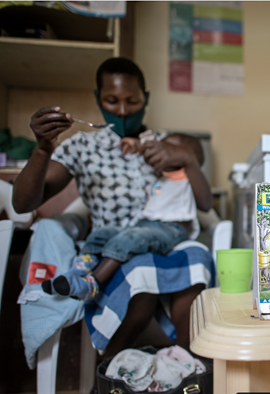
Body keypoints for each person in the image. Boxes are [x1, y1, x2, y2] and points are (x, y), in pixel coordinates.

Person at [12, 57, 213, 356]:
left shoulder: (166, 144)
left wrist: (182, 157)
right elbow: (23, 203)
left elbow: (201, 198)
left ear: (146, 99)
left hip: (163, 238)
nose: (121, 111)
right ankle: (111, 369)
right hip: (113, 243)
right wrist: (42, 149)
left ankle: (187, 362)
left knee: (193, 257)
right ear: (98, 99)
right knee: (138, 271)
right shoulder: (83, 147)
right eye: (111, 100)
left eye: (132, 101)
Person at [40, 131, 205, 301]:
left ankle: (93, 284)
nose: (158, 152)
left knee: (129, 239)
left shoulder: (185, 177)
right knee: (102, 234)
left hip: (171, 229)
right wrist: (137, 145)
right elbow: (147, 148)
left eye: (167, 149)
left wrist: (190, 161)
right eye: (158, 147)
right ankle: (76, 272)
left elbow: (205, 204)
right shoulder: (157, 176)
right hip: (145, 224)